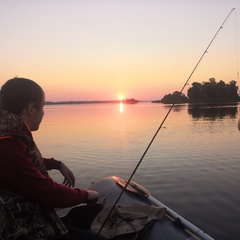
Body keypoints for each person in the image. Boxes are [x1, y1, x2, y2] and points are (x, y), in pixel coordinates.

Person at [0, 77, 105, 239]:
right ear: (31, 108)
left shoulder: (9, 136)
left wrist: (56, 164)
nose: (44, 112)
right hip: (21, 231)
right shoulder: (5, 145)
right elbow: (49, 193)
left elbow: (21, 165)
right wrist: (87, 195)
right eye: (42, 106)